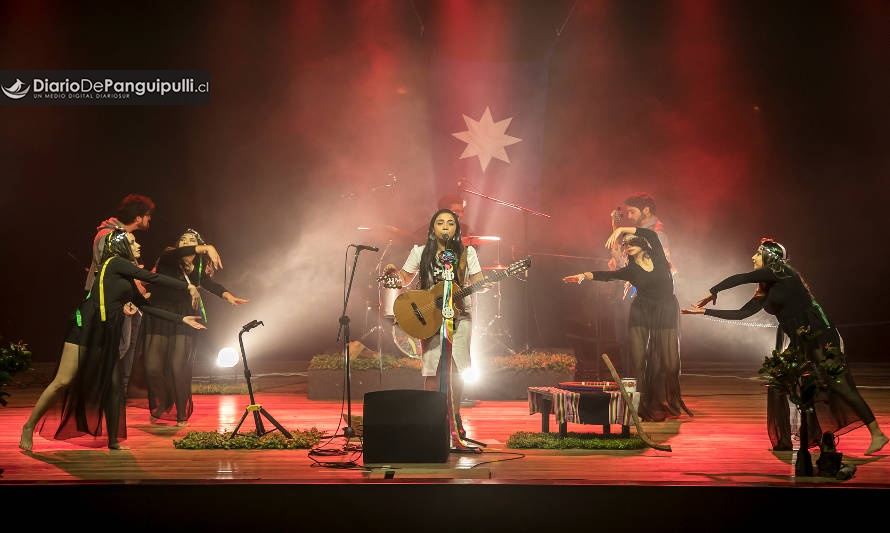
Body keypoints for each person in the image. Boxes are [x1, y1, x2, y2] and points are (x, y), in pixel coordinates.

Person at [681, 238, 888, 455]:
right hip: (799, 339)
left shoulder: (780, 269)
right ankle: (793, 439)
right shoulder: (767, 287)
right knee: (780, 381)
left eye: (757, 253)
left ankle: (876, 433)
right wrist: (705, 312)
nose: (752, 257)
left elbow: (742, 278)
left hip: (817, 335)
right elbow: (742, 314)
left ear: (770, 256)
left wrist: (714, 290)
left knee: (838, 386)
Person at [20, 230, 203, 451]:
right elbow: (152, 277)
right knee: (63, 381)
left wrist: (181, 319)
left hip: (107, 332)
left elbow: (145, 306)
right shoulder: (114, 262)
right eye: (133, 242)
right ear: (120, 246)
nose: (138, 246)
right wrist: (187, 286)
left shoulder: (125, 276)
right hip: (86, 327)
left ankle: (113, 440)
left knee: (115, 386)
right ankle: (28, 426)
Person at [563, 226, 691, 422]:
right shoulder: (631, 270)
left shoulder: (657, 255)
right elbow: (605, 275)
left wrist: (622, 228)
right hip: (641, 312)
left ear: (642, 244)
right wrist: (583, 276)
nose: (627, 246)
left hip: (665, 310)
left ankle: (672, 403)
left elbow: (652, 234)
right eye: (625, 244)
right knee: (640, 361)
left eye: (632, 242)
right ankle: (643, 405)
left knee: (670, 363)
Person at [381, 209, 485, 439]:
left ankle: (454, 416)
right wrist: (392, 273)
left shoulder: (467, 253)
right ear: (433, 228)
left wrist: (486, 282)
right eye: (440, 222)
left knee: (458, 368)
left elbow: (477, 280)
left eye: (450, 222)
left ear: (456, 228)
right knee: (432, 369)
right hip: (430, 316)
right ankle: (432, 418)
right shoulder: (420, 252)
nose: (445, 226)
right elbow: (404, 278)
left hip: (460, 316)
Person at [137, 228, 249, 426]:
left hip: (185, 315)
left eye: (192, 240)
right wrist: (207, 247)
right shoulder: (169, 256)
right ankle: (164, 400)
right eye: (184, 240)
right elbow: (176, 254)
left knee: (178, 366)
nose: (187, 242)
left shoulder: (196, 268)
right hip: (161, 314)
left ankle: (180, 412)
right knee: (153, 367)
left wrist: (228, 296)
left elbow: (209, 284)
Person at [85, 193, 156, 398]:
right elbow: (108, 271)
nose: (149, 220)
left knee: (127, 348)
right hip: (111, 303)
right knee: (118, 347)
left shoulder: (123, 238)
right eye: (148, 215)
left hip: (127, 302)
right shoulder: (108, 235)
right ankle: (97, 396)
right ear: (138, 217)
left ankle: (116, 397)